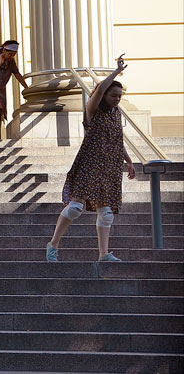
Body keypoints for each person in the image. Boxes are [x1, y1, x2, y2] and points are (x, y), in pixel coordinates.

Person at [47, 55, 137, 263]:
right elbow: (97, 91)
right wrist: (115, 72)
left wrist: (129, 161)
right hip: (90, 164)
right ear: (104, 95)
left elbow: (116, 140)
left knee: (106, 213)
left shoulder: (116, 114)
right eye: (113, 95)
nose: (116, 99)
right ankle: (53, 244)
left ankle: (104, 254)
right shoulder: (93, 111)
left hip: (110, 167)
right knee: (75, 208)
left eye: (119, 97)